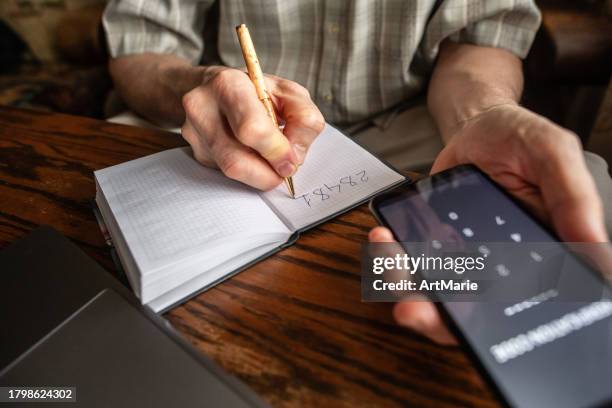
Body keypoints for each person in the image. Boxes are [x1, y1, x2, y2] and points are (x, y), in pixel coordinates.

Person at [103, 0, 612, 345]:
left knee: (579, 184)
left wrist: (480, 116)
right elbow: (139, 49)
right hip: (222, 119)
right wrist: (204, 83)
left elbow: (480, 43)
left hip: (417, 119)